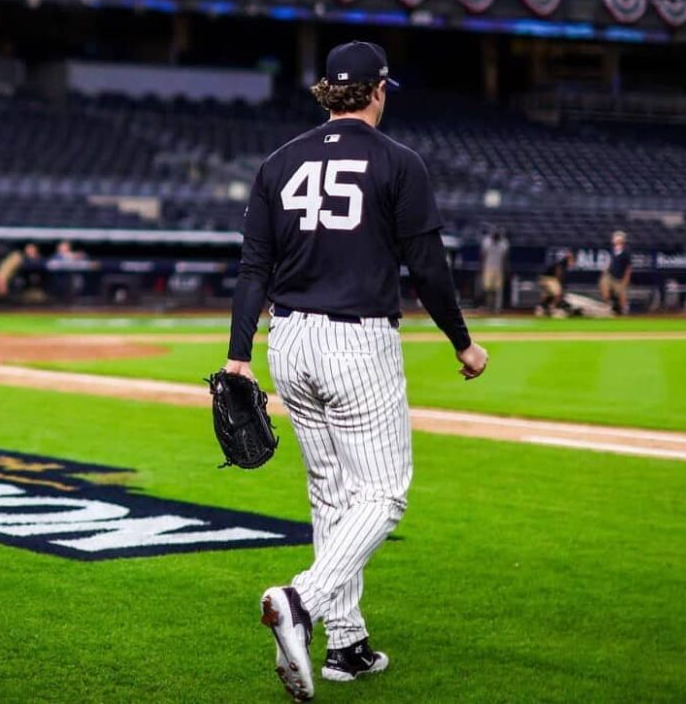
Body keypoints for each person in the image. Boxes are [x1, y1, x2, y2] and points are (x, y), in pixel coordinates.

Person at [223, 40, 488, 701]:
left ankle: (346, 642)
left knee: (330, 491)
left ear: (325, 91)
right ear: (379, 88)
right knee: (383, 492)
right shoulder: (399, 162)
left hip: (289, 340)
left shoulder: (279, 162)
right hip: (355, 340)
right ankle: (300, 600)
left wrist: (237, 354)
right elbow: (428, 268)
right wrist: (461, 342)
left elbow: (253, 265)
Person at [599, 231, 633, 315]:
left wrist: (626, 279)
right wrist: (605, 270)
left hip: (620, 278)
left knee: (622, 296)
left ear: (622, 242)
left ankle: (623, 309)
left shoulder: (626, 252)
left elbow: (628, 268)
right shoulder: (612, 250)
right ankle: (607, 306)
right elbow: (610, 261)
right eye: (615, 239)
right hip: (610, 275)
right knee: (604, 284)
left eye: (619, 240)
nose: (616, 241)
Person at [479, 229, 509, 313]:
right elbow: (482, 256)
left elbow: (505, 259)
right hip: (488, 268)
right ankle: (488, 307)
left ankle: (497, 308)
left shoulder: (504, 244)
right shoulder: (486, 242)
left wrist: (506, 270)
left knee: (498, 290)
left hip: (499, 269)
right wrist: (481, 269)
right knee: (488, 289)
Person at [537, 249, 573, 316]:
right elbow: (558, 275)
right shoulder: (561, 264)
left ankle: (541, 308)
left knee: (547, 295)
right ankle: (552, 308)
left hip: (543, 279)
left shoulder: (562, 264)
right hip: (549, 279)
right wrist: (561, 285)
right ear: (566, 259)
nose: (572, 261)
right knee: (558, 294)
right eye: (570, 259)